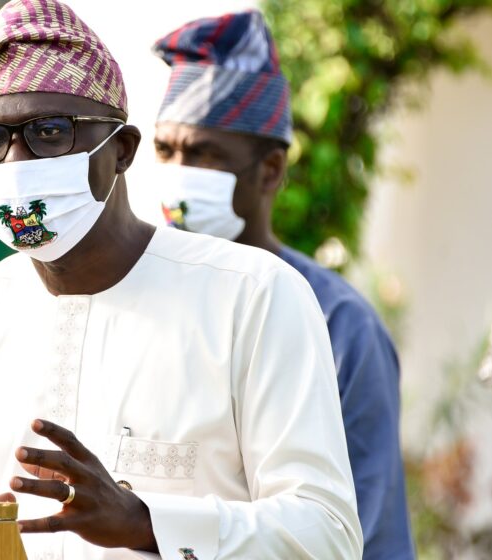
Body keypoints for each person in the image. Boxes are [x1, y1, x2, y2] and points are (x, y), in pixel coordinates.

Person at [0, 1, 363, 558]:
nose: (16, 161)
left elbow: (326, 533)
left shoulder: (251, 295)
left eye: (50, 131)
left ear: (122, 152)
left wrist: (149, 522)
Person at [150, 11, 414, 560]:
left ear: (270, 171)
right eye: (167, 150)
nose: (179, 172)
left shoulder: (341, 325)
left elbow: (368, 533)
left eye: (204, 154)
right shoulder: (142, 295)